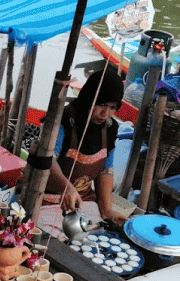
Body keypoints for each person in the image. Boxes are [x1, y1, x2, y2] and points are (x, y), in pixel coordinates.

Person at [42, 66, 128, 230]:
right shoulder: (63, 120)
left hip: (83, 201)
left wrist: (107, 210)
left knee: (99, 236)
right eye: (101, 105)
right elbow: (48, 159)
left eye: (112, 107)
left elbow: (106, 170)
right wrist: (66, 188)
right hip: (47, 200)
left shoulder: (109, 128)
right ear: (89, 99)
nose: (106, 113)